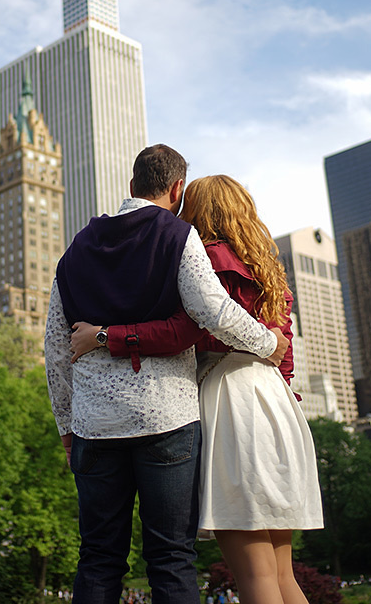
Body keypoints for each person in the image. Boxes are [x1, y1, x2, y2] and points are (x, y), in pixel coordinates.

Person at [45, 145, 289, 604]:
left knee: (97, 557)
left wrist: (66, 428)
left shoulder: (74, 251)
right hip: (167, 419)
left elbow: (55, 350)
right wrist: (269, 344)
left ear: (131, 185)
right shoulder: (177, 235)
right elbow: (212, 310)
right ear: (177, 189)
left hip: (95, 427)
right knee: (171, 558)